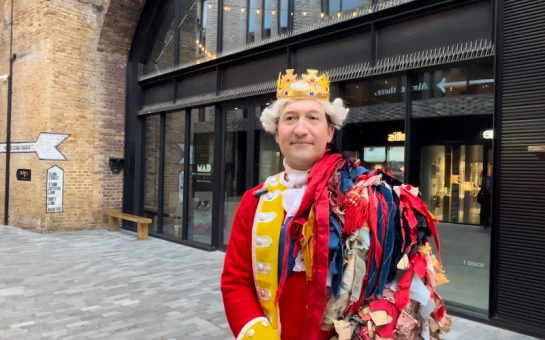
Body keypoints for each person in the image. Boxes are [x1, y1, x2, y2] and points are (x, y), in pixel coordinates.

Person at [221, 69, 451, 339]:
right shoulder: (255, 200)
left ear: (330, 131)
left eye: (313, 118)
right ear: (276, 132)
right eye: (290, 118)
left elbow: (393, 277)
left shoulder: (365, 195)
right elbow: (236, 281)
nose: (300, 129)